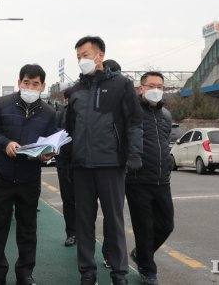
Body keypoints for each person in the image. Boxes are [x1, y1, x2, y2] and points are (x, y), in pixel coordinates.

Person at [66, 36, 143, 285]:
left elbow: (134, 122)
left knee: (114, 223)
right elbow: (69, 129)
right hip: (81, 167)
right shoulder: (75, 91)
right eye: (78, 57)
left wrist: (133, 155)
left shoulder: (121, 84)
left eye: (85, 55)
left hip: (111, 165)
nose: (81, 60)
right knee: (84, 223)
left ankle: (119, 274)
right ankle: (87, 274)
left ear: (100, 55)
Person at [0, 64, 57, 285]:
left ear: (42, 86)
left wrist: (47, 154)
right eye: (26, 82)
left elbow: (52, 142)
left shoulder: (50, 113)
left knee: (28, 229)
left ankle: (25, 273)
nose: (30, 87)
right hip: (2, 176)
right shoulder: (0, 105)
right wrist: (6, 143)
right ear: (19, 83)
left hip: (29, 177)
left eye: (35, 84)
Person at [126, 72, 175, 285]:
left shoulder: (166, 115)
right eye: (151, 85)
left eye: (160, 86)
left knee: (166, 225)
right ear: (141, 89)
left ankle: (141, 254)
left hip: (162, 180)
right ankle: (148, 270)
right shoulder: (130, 112)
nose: (156, 90)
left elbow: (164, 141)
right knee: (144, 227)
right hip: (138, 180)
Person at [100, 58, 122, 268]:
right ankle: (107, 255)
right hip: (102, 166)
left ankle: (112, 255)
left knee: (114, 216)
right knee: (110, 215)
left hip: (121, 167)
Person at [55, 87, 76, 247]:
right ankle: (71, 233)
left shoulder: (86, 114)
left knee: (84, 202)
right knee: (68, 200)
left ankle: (82, 233)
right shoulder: (60, 115)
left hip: (82, 163)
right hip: (64, 163)